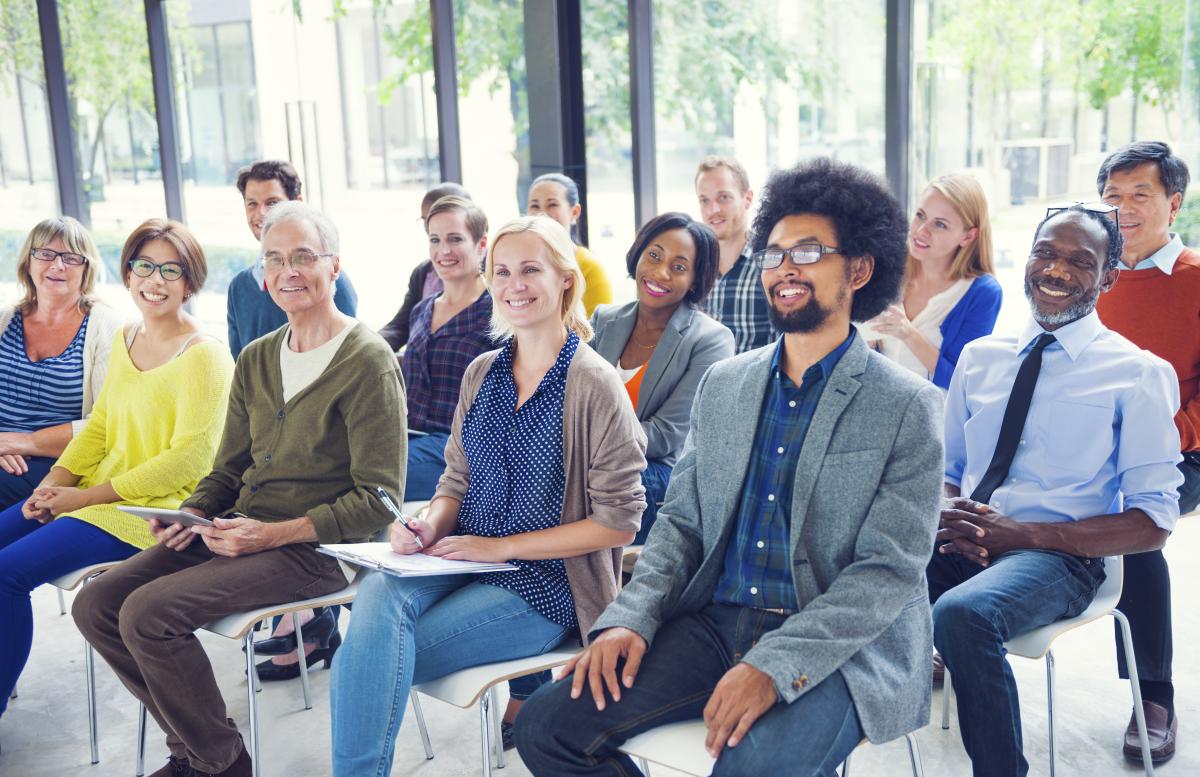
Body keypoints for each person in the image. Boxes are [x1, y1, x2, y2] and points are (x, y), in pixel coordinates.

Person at [515, 158, 945, 776]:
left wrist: (773, 664)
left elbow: (886, 573)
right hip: (715, 623)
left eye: (808, 251)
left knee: (750, 770)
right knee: (547, 727)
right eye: (773, 254)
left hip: (836, 643)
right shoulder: (727, 385)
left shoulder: (907, 406)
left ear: (859, 268)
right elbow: (682, 524)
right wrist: (630, 617)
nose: (784, 269)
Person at [72, 202, 403, 777]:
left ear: (334, 267)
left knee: (149, 613)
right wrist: (192, 511)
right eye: (274, 260)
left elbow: (380, 499)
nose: (288, 271)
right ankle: (204, 752)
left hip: (318, 550)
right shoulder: (256, 357)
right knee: (97, 604)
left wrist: (270, 534)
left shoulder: (367, 361)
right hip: (237, 531)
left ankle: (215, 764)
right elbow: (227, 469)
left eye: (303, 257)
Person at [330, 215, 647, 777]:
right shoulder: (482, 372)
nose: (513, 284)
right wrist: (429, 524)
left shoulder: (592, 381)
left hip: (546, 584)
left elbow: (620, 524)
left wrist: (500, 549)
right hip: (459, 557)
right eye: (501, 271)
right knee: (378, 595)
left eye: (530, 270)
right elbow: (455, 480)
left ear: (564, 281)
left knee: (366, 661)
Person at [931, 204, 1183, 777]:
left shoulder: (1137, 372)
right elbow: (950, 469)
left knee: (962, 615)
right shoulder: (981, 358)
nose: (1056, 270)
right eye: (1046, 252)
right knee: (848, 566)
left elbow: (1153, 521)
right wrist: (952, 514)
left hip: (1058, 558)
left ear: (1109, 277)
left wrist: (1022, 534)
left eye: (1079, 261)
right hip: (963, 542)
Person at [1, 218, 232, 718]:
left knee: (5, 575)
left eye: (172, 270)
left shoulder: (206, 356)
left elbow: (187, 461)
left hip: (150, 513)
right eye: (144, 266)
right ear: (127, 275)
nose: (156, 279)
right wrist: (54, 482)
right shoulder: (128, 339)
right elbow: (100, 430)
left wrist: (80, 498)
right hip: (95, 495)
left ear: (190, 283)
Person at [1094, 141, 1200, 763]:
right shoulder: (1090, 271)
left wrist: (1169, 437)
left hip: (1181, 450)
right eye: (1113, 197)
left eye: (1140, 196)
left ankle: (1152, 694)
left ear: (1173, 202)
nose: (1124, 210)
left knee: (1133, 524)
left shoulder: (1194, 279)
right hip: (1092, 448)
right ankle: (960, 634)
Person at [590, 212, 733, 543]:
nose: (660, 272)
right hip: (593, 465)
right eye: (654, 255)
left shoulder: (710, 340)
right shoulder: (604, 319)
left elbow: (667, 436)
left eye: (679, 267)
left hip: (653, 474)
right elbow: (566, 398)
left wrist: (585, 444)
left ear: (695, 280)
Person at [0, 217, 124, 505]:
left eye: (71, 257)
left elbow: (109, 423)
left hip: (60, 463)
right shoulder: (5, 319)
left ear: (87, 268)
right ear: (28, 262)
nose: (57, 265)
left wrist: (23, 441)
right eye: (45, 254)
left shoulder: (106, 327)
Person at [402, 195, 497, 501]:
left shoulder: (498, 313)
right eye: (435, 240)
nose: (443, 251)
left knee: (378, 477)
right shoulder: (422, 309)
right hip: (407, 438)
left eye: (455, 239)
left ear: (481, 246)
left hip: (460, 450)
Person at [868, 173, 1002, 388]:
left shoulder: (981, 293)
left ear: (968, 237)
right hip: (881, 409)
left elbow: (960, 380)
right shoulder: (890, 265)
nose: (921, 231)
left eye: (939, 224)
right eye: (920, 215)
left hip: (934, 415)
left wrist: (907, 333)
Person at [227, 159, 358, 359]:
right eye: (252, 204)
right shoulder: (239, 288)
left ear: (297, 203)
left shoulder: (329, 281)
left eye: (272, 203)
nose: (261, 213)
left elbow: (347, 353)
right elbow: (239, 367)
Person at [378, 181, 473, 352]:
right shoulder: (423, 274)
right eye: (428, 220)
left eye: (455, 237)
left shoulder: (497, 274)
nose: (435, 226)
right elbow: (400, 326)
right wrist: (366, 346)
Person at [695, 155, 776, 353]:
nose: (713, 210)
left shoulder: (771, 265)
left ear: (747, 199)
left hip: (754, 383)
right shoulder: (693, 267)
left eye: (723, 197)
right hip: (701, 383)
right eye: (704, 200)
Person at [526, 172, 613, 315]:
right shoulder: (517, 263)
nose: (541, 213)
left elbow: (600, 331)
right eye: (534, 206)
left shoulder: (590, 267)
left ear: (574, 212)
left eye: (552, 204)